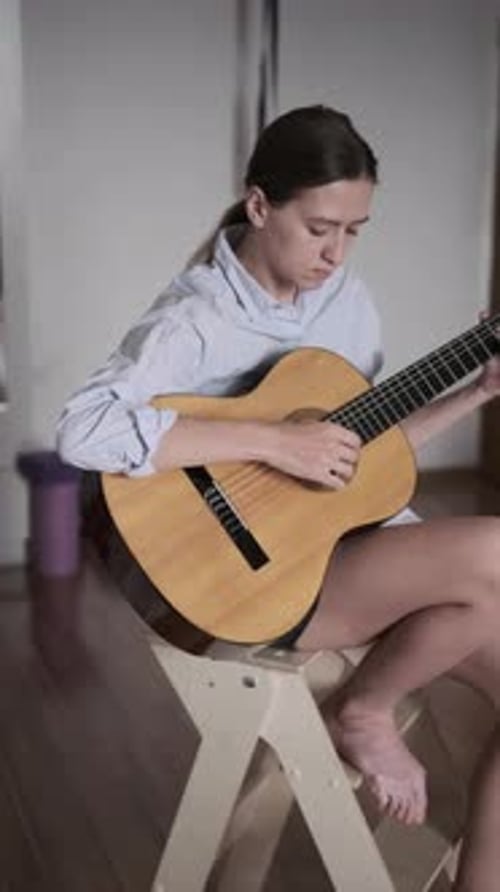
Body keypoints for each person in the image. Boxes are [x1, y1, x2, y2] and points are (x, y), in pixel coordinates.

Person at [57, 105, 500, 890]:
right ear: (260, 206)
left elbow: (357, 459)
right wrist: (269, 440)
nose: (336, 253)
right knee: (493, 549)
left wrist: (476, 394)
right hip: (250, 578)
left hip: (333, 545)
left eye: (354, 231)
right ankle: (365, 710)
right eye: (319, 227)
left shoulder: (348, 306)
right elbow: (82, 431)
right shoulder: (196, 318)